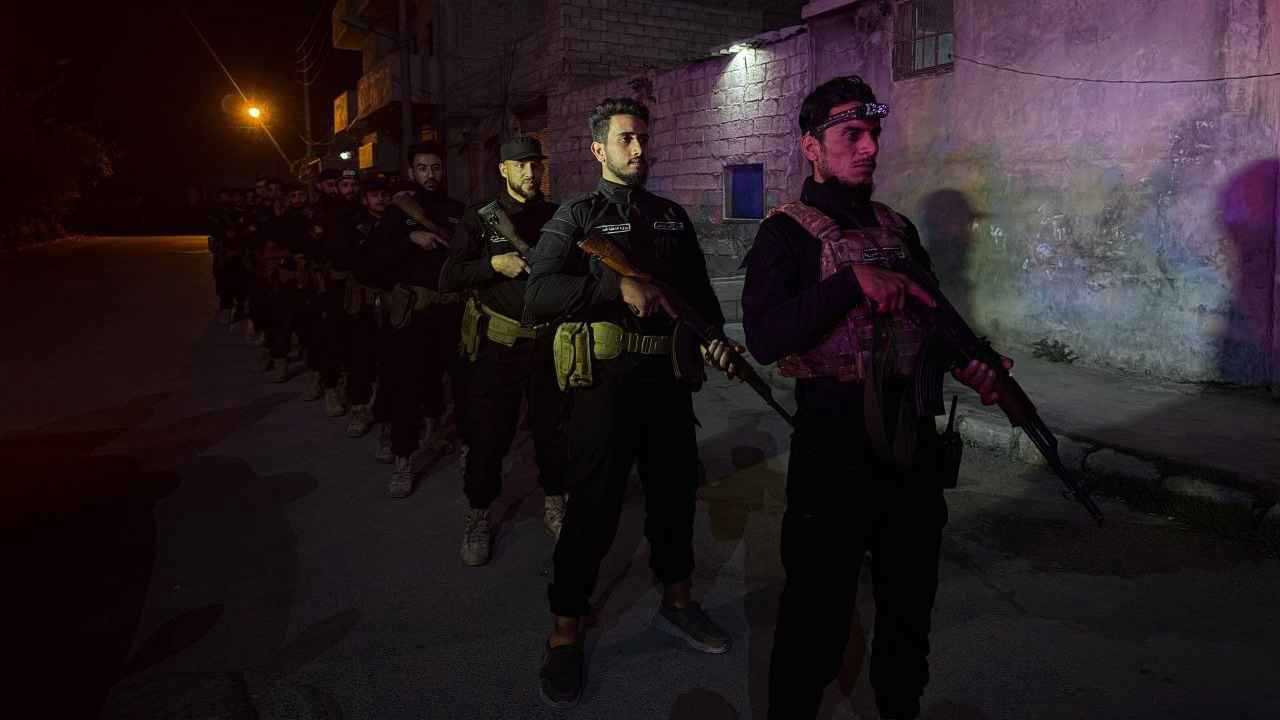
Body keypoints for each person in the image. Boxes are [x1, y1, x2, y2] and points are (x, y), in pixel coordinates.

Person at [740, 76, 1012, 720]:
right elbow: (764, 336)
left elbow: (933, 314)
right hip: (832, 447)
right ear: (811, 147)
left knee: (907, 614)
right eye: (851, 135)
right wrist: (850, 284)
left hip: (910, 441)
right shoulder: (785, 234)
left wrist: (974, 360)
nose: (869, 148)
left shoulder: (896, 228)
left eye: (874, 134)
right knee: (815, 619)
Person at [524, 97, 741, 708]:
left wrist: (716, 340)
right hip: (606, 385)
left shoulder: (670, 217)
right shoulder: (577, 215)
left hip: (667, 380)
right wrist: (612, 283)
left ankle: (678, 601)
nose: (639, 148)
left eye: (643, 137)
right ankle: (566, 630)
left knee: (674, 497)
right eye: (625, 138)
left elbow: (698, 296)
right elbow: (538, 293)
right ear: (599, 149)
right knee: (593, 507)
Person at [439, 134, 567, 566]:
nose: (531, 173)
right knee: (489, 435)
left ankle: (555, 501)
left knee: (553, 431)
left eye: (536, 164)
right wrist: (493, 264)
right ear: (504, 170)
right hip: (499, 345)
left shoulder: (556, 216)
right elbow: (449, 276)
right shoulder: (481, 218)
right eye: (521, 165)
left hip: (547, 343)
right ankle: (478, 513)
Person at [362, 143, 466, 498]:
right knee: (407, 387)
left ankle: (440, 436)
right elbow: (373, 261)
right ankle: (404, 459)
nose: (430, 175)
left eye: (435, 167)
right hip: (414, 314)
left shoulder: (456, 210)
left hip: (450, 311)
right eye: (422, 168)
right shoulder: (398, 213)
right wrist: (409, 238)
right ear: (412, 171)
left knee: (455, 383)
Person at [344, 174, 392, 438]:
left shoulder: (396, 222)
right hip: (364, 300)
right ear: (365, 199)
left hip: (393, 300)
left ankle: (386, 412)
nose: (380, 199)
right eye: (375, 195)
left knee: (390, 358)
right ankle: (360, 408)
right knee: (361, 357)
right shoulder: (354, 224)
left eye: (384, 194)